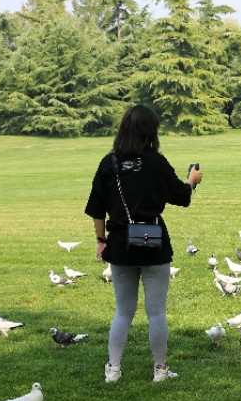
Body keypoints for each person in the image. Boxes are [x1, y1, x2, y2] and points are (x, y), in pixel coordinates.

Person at [85, 105, 203, 383]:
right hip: (154, 242)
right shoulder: (155, 162)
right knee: (156, 312)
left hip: (120, 244)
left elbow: (96, 210)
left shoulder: (108, 163)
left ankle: (113, 369)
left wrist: (101, 241)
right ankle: (160, 370)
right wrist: (192, 181)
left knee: (123, 310)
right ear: (151, 131)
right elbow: (181, 196)